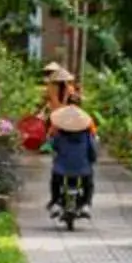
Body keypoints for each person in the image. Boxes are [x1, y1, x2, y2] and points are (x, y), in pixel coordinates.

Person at [46, 95, 98, 223]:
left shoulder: (60, 132)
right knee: (89, 183)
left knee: (55, 181)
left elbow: (54, 146)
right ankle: (86, 204)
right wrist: (92, 159)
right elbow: (92, 149)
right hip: (83, 167)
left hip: (62, 167)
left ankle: (55, 201)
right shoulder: (86, 132)